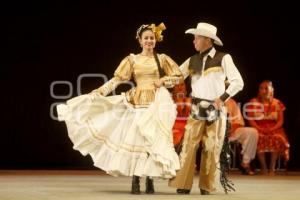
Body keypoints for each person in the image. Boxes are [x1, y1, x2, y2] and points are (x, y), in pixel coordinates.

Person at [57, 23, 183, 194]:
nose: (149, 41)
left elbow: (178, 77)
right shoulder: (133, 60)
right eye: (146, 38)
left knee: (153, 140)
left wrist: (163, 81)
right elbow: (117, 80)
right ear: (140, 41)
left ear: (156, 40)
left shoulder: (161, 59)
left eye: (151, 38)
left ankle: (150, 179)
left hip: (157, 102)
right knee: (138, 138)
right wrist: (101, 91)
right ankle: (136, 179)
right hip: (138, 100)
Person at [169, 22, 244, 195]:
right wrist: (159, 80)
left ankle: (207, 186)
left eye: (197, 37)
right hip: (196, 108)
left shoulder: (223, 58)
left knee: (211, 146)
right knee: (188, 146)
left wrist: (223, 98)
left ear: (207, 39)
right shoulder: (192, 60)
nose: (194, 41)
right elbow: (176, 77)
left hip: (214, 108)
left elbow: (238, 82)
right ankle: (183, 184)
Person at [247, 80, 290, 175]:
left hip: (274, 128)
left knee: (277, 138)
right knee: (258, 137)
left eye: (266, 88)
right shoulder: (253, 102)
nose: (263, 90)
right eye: (261, 88)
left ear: (271, 90)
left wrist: (272, 128)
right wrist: (259, 129)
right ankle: (264, 167)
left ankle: (272, 167)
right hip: (258, 127)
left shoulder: (277, 103)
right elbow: (250, 120)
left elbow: (280, 121)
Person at [225, 98, 258, 175]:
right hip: (212, 132)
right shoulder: (206, 98)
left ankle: (245, 163)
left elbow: (238, 121)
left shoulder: (231, 102)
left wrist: (231, 129)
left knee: (252, 132)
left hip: (231, 131)